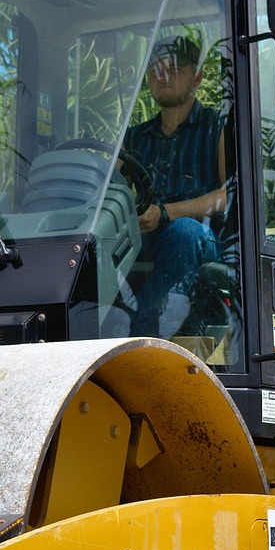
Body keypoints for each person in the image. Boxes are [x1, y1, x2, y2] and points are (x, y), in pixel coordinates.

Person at [119, 35, 229, 335]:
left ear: (197, 77)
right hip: (145, 239)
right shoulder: (135, 137)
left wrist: (166, 212)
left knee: (184, 232)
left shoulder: (217, 126)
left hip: (202, 242)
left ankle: (145, 322)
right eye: (156, 70)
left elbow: (228, 196)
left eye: (174, 69)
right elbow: (111, 191)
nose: (163, 77)